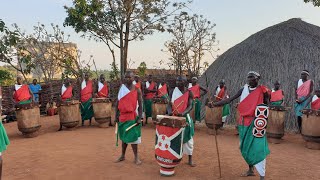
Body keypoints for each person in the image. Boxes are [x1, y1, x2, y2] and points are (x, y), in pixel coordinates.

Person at [211, 71, 270, 180]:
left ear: (257, 79)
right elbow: (229, 99)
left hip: (257, 124)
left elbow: (266, 106)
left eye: (252, 78)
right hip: (243, 123)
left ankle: (262, 175)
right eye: (248, 77)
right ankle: (251, 169)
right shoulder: (244, 89)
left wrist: (262, 121)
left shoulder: (263, 91)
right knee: (245, 147)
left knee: (258, 148)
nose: (249, 80)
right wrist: (215, 104)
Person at [115, 71, 143, 165]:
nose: (127, 79)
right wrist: (116, 116)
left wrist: (140, 117)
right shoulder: (121, 88)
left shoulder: (137, 89)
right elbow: (117, 103)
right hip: (123, 116)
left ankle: (136, 157)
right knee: (124, 137)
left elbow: (141, 104)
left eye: (129, 77)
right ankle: (123, 155)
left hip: (132, 116)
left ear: (133, 78)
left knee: (133, 137)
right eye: (126, 77)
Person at [168, 75, 196, 167]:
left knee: (188, 140)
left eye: (180, 81)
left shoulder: (189, 92)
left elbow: (190, 106)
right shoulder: (172, 91)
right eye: (177, 81)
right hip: (174, 117)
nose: (178, 82)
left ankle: (190, 159)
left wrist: (183, 113)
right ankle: (174, 157)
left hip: (185, 118)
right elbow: (169, 104)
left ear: (185, 82)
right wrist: (169, 112)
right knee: (174, 138)